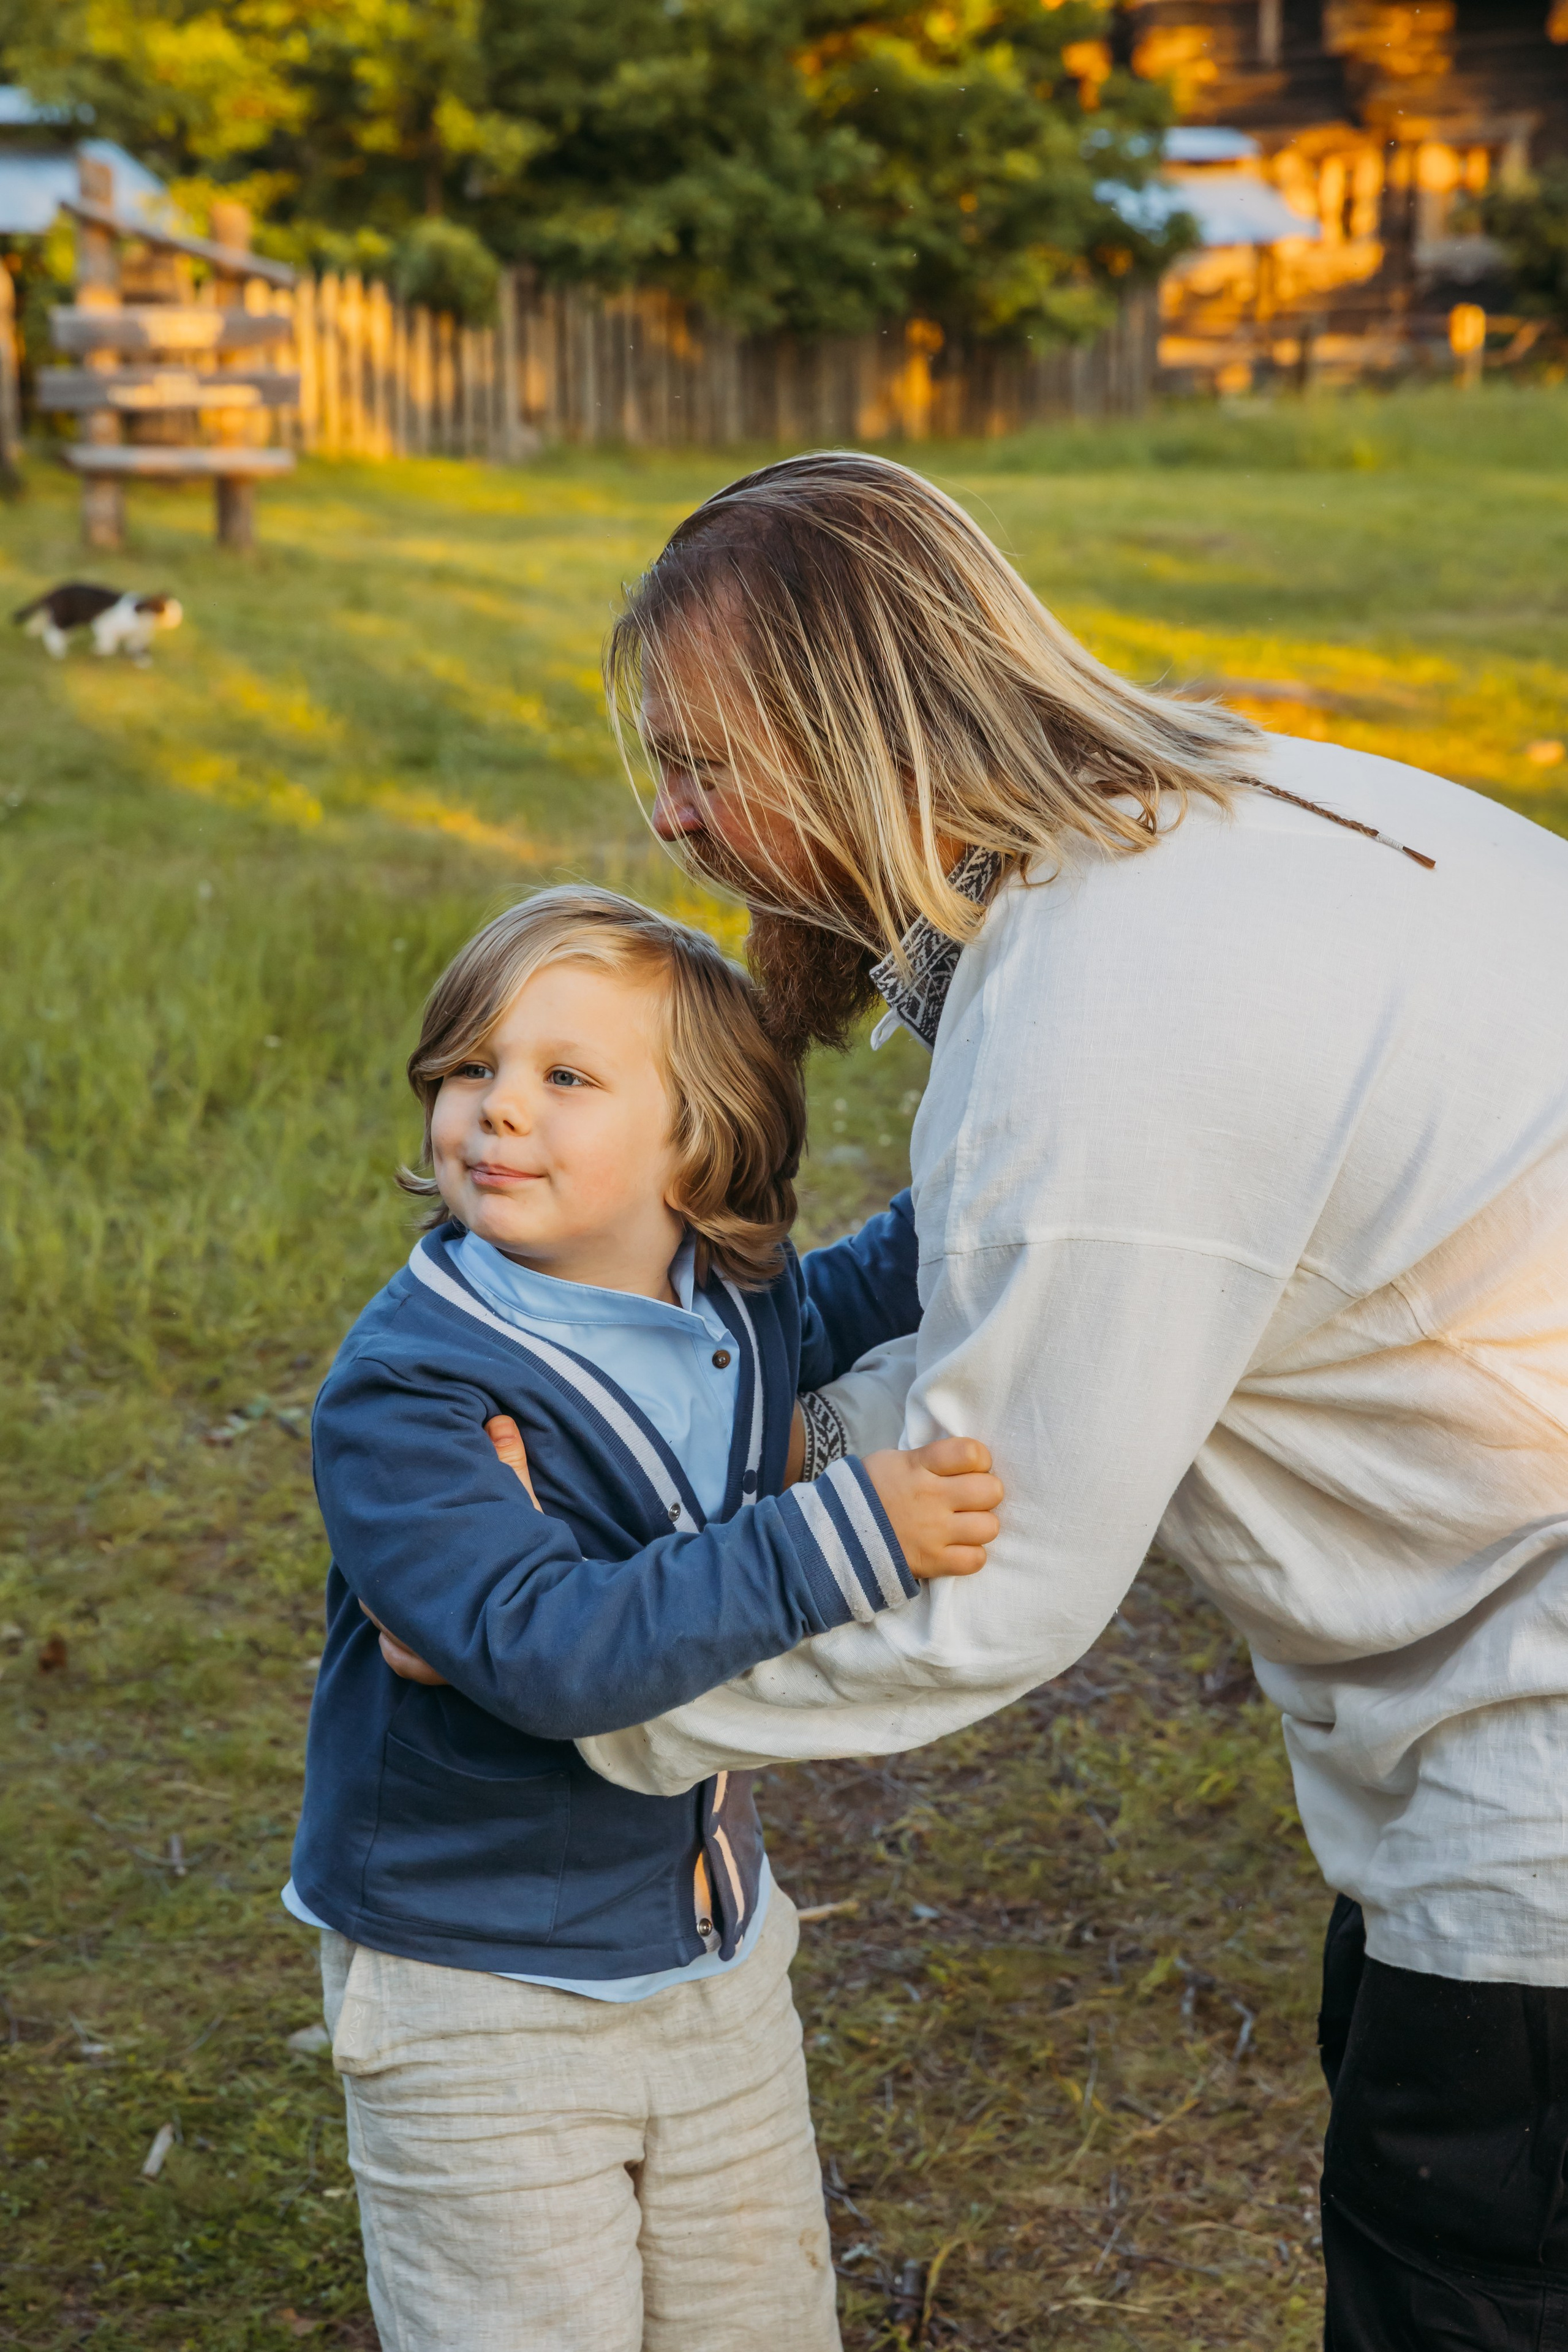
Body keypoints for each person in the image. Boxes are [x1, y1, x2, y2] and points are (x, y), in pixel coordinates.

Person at [562, 451, 1568, 2348]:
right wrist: (766, 1430)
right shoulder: (1214, 822)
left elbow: (990, 1568)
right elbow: (1012, 1295)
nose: (674, 819)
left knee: (1469, 2266)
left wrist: (568, 1684)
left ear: (857, 736)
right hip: (1491, 1652)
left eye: (704, 764)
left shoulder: (1106, 1015)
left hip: (1541, 1745)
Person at [285, 883, 1001, 2352]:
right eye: (471, 1065)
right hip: (480, 1988)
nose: (496, 1106)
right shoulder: (411, 1389)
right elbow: (545, 1649)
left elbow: (872, 1283)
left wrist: (1021, 1159)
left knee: (759, 2319)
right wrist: (845, 1534)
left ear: (697, 1142)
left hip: (718, 1957)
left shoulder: (724, 1302)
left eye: (564, 1076)